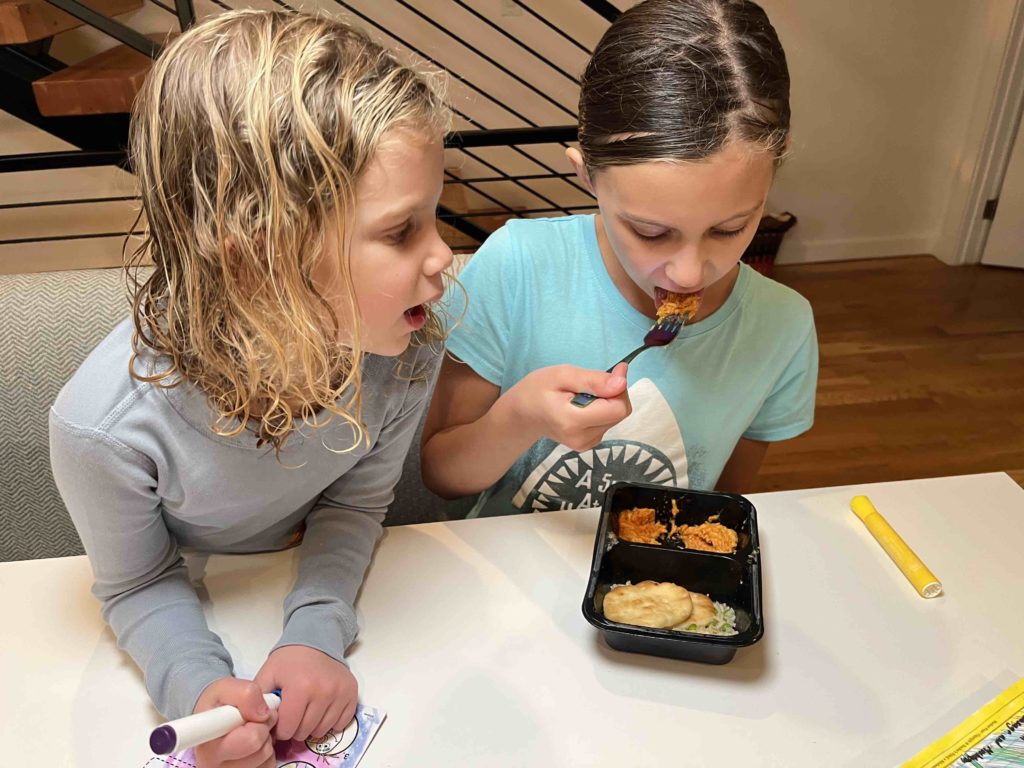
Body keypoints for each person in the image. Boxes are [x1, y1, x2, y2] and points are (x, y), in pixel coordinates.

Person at [48, 10, 452, 768]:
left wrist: (315, 631)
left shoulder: (401, 344)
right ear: (254, 262)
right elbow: (136, 584)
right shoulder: (102, 429)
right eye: (402, 231)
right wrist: (199, 688)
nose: (444, 257)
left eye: (434, 216)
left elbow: (355, 502)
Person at [421, 0, 817, 517]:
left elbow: (726, 506)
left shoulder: (782, 327)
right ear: (585, 175)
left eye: (730, 228)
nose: (689, 273)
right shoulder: (518, 267)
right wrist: (519, 417)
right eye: (650, 232)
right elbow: (440, 475)